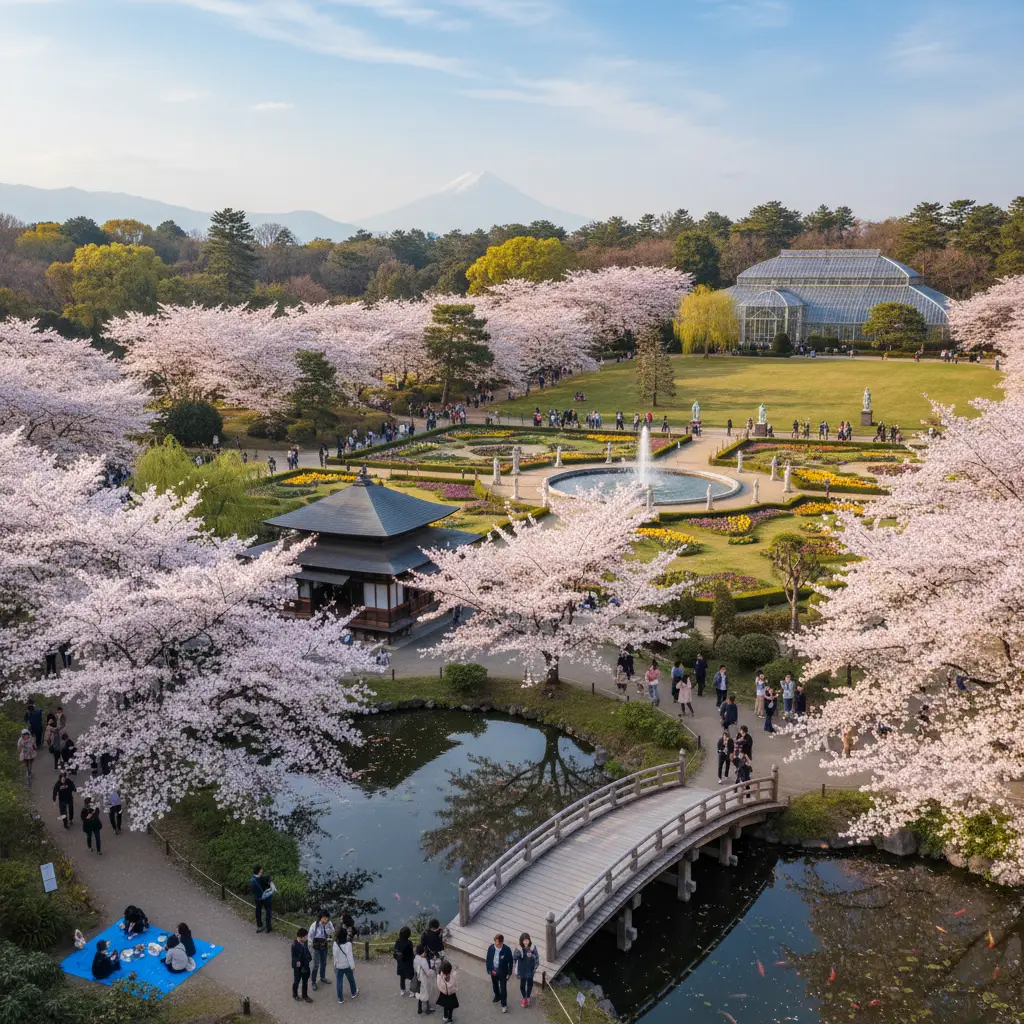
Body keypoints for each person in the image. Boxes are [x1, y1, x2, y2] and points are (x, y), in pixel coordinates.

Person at [486, 933, 513, 1013]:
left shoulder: (507, 950)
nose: (496, 945)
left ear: (501, 943)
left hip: (503, 972)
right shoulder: (491, 948)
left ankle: (504, 1004)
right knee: (495, 985)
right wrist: (489, 969)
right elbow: (488, 959)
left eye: (497, 944)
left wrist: (509, 973)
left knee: (503, 989)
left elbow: (511, 962)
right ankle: (497, 996)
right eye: (495, 942)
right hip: (493, 971)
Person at [308, 909, 335, 991]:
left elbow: (332, 932)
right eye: (324, 918)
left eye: (327, 919)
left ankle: (322, 977)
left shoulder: (329, 924)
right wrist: (310, 946)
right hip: (316, 947)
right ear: (320, 918)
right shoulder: (314, 925)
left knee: (323, 962)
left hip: (324, 945)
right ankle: (313, 982)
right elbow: (310, 936)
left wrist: (326, 929)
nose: (326, 920)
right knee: (315, 965)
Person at [513, 932, 539, 1008]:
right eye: (524, 940)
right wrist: (518, 950)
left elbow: (536, 959)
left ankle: (528, 996)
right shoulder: (519, 948)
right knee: (522, 985)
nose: (526, 942)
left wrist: (532, 956)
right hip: (522, 970)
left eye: (527, 940)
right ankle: (524, 997)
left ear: (529, 940)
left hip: (530, 969)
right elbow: (514, 957)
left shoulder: (533, 948)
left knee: (530, 984)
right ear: (521, 941)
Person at [332, 927, 357, 1002]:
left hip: (338, 966)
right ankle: (353, 993)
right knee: (351, 980)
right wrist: (353, 967)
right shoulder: (348, 944)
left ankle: (340, 998)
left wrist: (335, 964)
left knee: (339, 981)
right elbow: (350, 957)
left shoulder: (335, 943)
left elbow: (334, 955)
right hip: (347, 966)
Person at [291, 928, 314, 1003]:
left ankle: (305, 995)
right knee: (296, 981)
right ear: (300, 937)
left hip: (306, 965)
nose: (307, 938)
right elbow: (294, 958)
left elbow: (307, 951)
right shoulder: (294, 945)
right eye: (305, 937)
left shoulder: (305, 942)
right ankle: (295, 994)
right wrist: (299, 965)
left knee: (305, 982)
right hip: (298, 968)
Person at [414, 943, 437, 1015]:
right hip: (424, 979)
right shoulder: (423, 961)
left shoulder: (415, 958)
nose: (425, 953)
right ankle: (428, 1009)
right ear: (422, 952)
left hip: (418, 978)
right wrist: (433, 971)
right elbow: (428, 972)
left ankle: (419, 1008)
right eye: (424, 952)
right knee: (427, 992)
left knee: (420, 993)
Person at [394, 925, 416, 996]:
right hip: (409, 962)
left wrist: (399, 955)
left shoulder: (398, 942)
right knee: (411, 976)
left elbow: (395, 950)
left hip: (401, 962)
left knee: (402, 977)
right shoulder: (409, 943)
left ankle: (402, 989)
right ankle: (412, 990)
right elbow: (411, 953)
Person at [250, 865, 272, 933]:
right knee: (268, 911)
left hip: (257, 898)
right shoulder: (262, 878)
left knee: (258, 911)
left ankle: (260, 926)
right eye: (261, 872)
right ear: (258, 872)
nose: (262, 873)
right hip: (265, 897)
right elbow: (269, 881)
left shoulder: (252, 880)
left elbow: (252, 890)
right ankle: (268, 927)